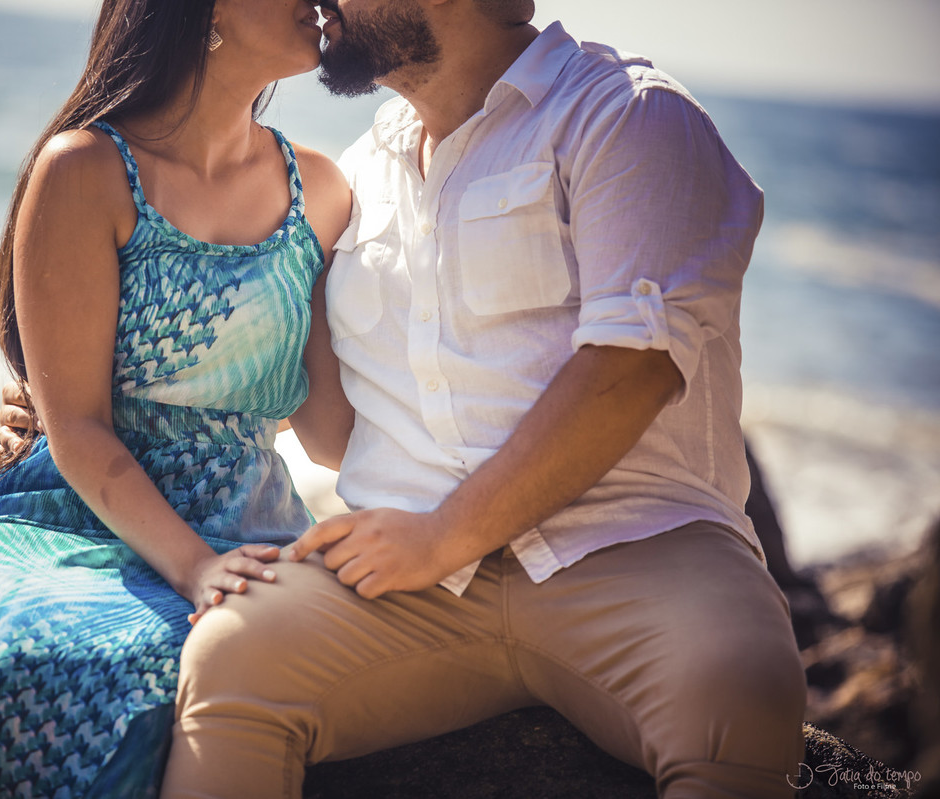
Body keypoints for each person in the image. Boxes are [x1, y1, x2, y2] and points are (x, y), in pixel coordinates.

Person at [156, 0, 808, 797]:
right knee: (231, 650)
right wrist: (102, 393)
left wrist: (443, 535)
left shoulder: (629, 115)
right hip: (408, 587)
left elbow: (631, 369)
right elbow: (328, 429)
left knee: (738, 686)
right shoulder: (353, 179)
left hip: (638, 554)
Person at [0, 0, 351, 796]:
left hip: (254, 526)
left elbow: (329, 430)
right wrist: (197, 568)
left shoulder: (319, 190)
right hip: (76, 521)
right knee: (36, 662)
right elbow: (76, 426)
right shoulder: (84, 169)